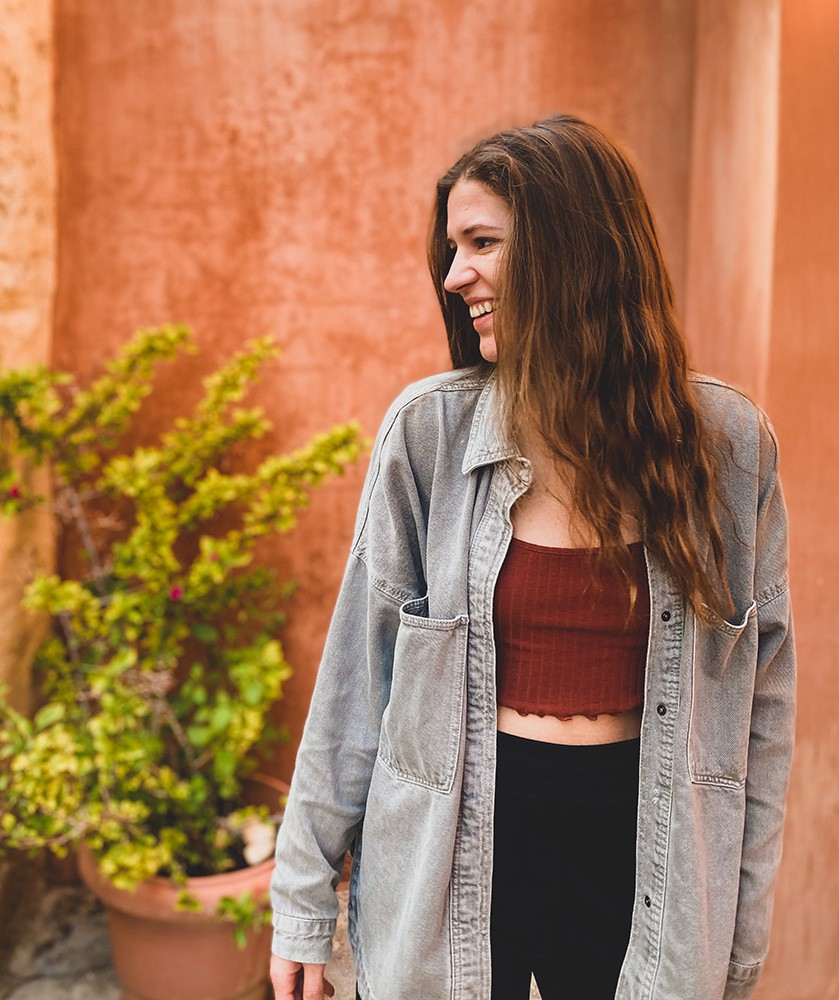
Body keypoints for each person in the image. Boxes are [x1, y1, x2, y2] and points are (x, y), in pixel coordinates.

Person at [269, 115, 795, 1000]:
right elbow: (357, 683)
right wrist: (303, 908)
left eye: (483, 242)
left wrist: (738, 941)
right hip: (456, 843)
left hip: (644, 845)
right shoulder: (428, 436)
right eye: (452, 247)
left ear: (573, 254)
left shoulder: (729, 450)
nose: (453, 275)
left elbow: (762, 720)